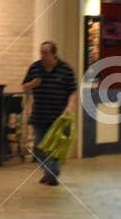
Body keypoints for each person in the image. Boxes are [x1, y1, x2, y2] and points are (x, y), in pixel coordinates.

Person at [22, 41, 79, 186]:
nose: (43, 55)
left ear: (53, 54)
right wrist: (32, 84)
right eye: (41, 52)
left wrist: (70, 106)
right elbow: (24, 86)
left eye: (46, 52)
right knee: (38, 147)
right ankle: (50, 172)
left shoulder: (65, 69)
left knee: (54, 148)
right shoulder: (35, 67)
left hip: (58, 116)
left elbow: (72, 91)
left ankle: (51, 174)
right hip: (39, 115)